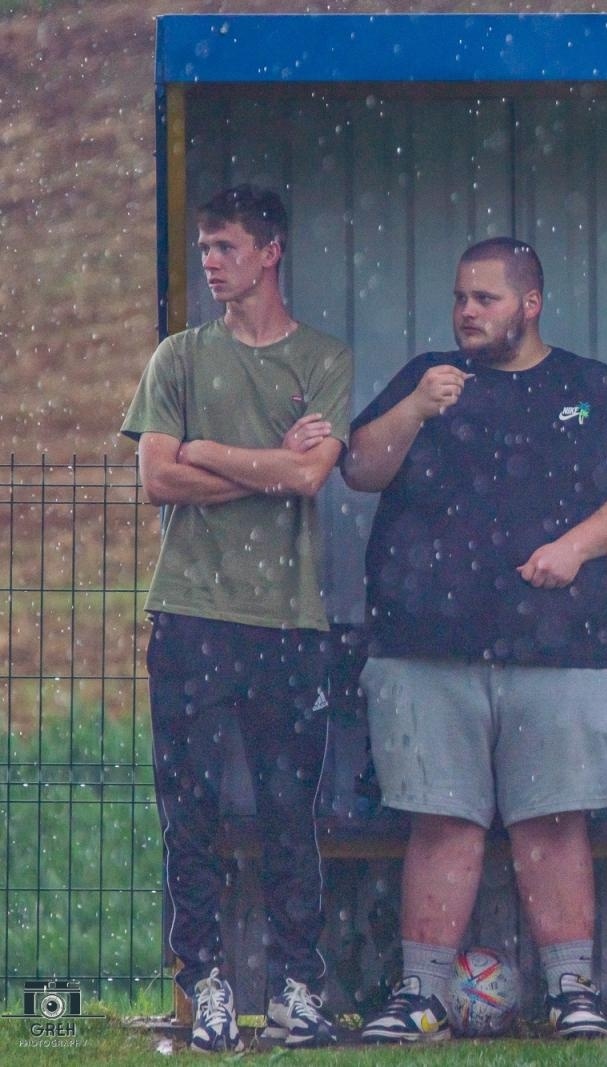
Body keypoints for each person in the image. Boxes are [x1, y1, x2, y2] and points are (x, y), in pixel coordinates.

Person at [343, 237, 607, 1042]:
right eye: (460, 297)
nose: (466, 312)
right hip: (425, 648)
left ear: (530, 303)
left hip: (563, 649)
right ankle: (420, 995)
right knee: (440, 821)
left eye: (484, 298)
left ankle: (572, 992)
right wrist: (416, 408)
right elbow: (359, 468)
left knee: (553, 824)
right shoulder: (427, 379)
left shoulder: (588, 386)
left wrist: (576, 547)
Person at [122, 185, 349, 1052]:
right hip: (191, 614)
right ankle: (206, 983)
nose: (210, 261)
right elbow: (159, 478)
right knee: (190, 808)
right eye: (205, 246)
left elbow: (310, 476)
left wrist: (209, 452)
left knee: (292, 811)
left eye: (226, 247)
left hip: (289, 618)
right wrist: (263, 464)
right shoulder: (178, 357)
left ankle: (295, 987)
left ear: (270, 252)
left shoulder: (323, 358)